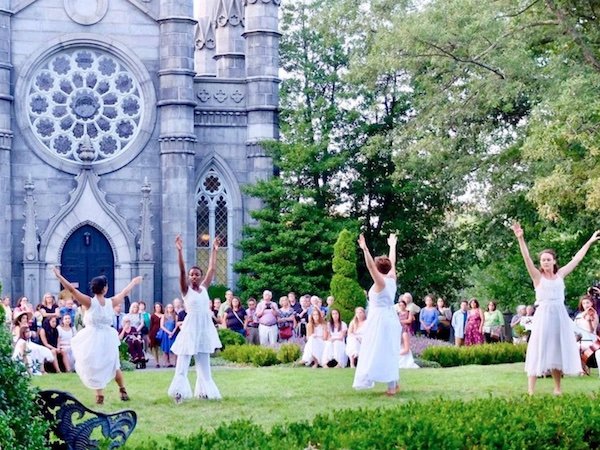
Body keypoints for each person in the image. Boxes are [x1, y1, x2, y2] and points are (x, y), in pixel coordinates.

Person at [512, 222, 599, 395]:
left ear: (554, 261)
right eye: (543, 260)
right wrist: (520, 238)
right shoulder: (537, 277)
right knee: (538, 348)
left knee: (556, 349)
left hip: (559, 315)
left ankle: (557, 388)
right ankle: (531, 390)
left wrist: (589, 242)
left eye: (548, 259)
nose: (545, 262)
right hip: (543, 315)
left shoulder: (560, 275)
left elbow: (577, 259)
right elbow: (527, 259)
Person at [52, 267, 142, 404]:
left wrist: (59, 276)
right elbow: (124, 293)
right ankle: (120, 389)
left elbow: (71, 289)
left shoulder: (90, 302)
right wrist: (133, 282)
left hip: (94, 337)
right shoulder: (107, 302)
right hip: (105, 337)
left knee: (96, 365)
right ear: (104, 289)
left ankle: (102, 395)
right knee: (113, 365)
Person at [168, 235, 222, 403]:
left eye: (197, 274)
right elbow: (182, 271)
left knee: (204, 363)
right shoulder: (186, 290)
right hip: (190, 327)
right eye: (192, 275)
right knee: (183, 360)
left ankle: (204, 392)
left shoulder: (204, 288)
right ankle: (179, 393)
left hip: (204, 327)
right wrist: (179, 251)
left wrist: (214, 250)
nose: (194, 276)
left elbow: (212, 269)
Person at [352, 233, 401, 396]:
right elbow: (392, 262)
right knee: (390, 349)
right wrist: (392, 245)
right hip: (390, 317)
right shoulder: (392, 278)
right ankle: (394, 383)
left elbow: (371, 267)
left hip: (380, 319)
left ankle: (392, 387)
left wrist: (365, 249)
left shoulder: (380, 282)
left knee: (380, 350)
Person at [148, 302, 164, 367]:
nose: (158, 308)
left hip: (162, 332)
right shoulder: (153, 316)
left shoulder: (164, 315)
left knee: (163, 348)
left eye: (159, 307)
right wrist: (149, 335)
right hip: (154, 333)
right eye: (156, 307)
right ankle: (157, 362)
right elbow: (151, 326)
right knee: (155, 348)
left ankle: (164, 361)